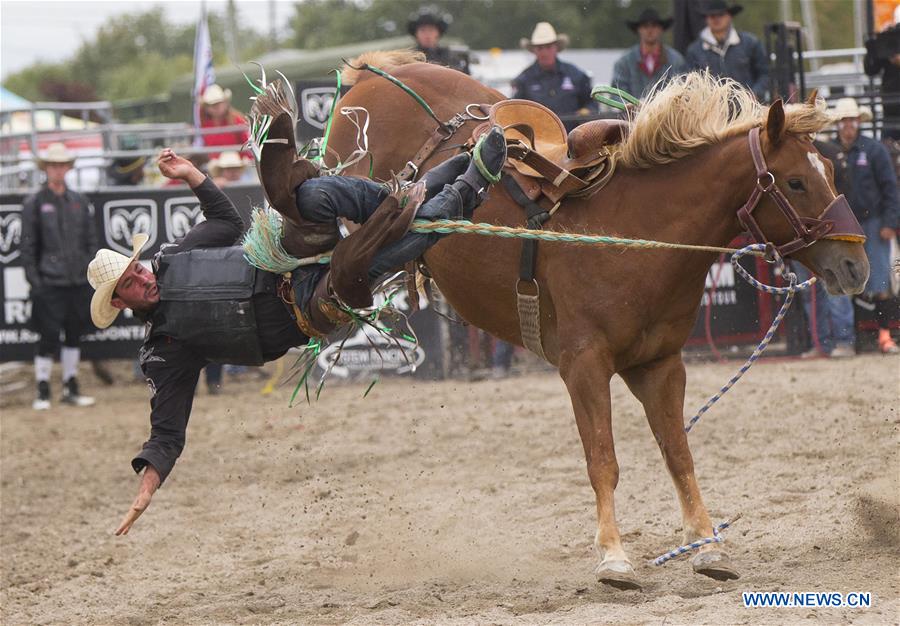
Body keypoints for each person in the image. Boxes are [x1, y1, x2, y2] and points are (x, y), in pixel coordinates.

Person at [91, 112, 508, 534]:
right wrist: (147, 487)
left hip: (283, 257)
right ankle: (463, 190)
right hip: (307, 307)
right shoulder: (165, 350)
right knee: (354, 266)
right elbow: (167, 431)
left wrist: (191, 174)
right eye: (130, 282)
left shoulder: (172, 258)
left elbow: (226, 223)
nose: (142, 278)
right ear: (120, 300)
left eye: (136, 269)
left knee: (311, 197)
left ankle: (401, 195)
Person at [20, 143, 97, 409]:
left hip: (76, 279)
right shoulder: (35, 202)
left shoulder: (78, 201)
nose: (58, 170)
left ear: (67, 168)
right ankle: (42, 389)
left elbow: (90, 239)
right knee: (48, 335)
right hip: (50, 281)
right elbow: (28, 246)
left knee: (74, 333)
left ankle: (70, 385)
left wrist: (87, 267)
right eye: (53, 165)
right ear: (46, 169)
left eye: (62, 165)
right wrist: (36, 281)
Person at [829, 98, 900, 354]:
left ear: (859, 122)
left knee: (881, 281)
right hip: (844, 226)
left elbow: (890, 187)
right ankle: (847, 340)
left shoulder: (874, 150)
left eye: (852, 120)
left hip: (874, 222)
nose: (848, 125)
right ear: (838, 124)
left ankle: (884, 336)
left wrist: (891, 222)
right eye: (844, 121)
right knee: (843, 280)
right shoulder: (830, 151)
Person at [511, 22, 597, 123]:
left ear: (556, 47)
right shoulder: (523, 80)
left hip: (573, 136)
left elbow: (592, 102)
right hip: (537, 137)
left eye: (548, 46)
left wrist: (587, 111)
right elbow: (514, 111)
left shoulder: (576, 75)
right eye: (540, 48)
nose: (544, 52)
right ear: (534, 50)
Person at [685, 1, 769, 102]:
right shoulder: (694, 51)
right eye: (712, 16)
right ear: (706, 19)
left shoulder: (750, 43)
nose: (716, 19)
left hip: (749, 108)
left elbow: (765, 73)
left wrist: (755, 93)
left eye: (721, 14)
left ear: (730, 16)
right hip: (711, 111)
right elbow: (690, 82)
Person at [612, 7, 687, 99]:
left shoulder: (676, 61)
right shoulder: (624, 63)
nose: (650, 30)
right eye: (645, 26)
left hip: (667, 113)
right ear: (638, 30)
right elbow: (617, 94)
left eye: (654, 26)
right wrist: (629, 105)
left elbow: (684, 92)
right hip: (633, 113)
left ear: (661, 29)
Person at [864, 21, 900, 139]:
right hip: (891, 109)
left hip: (891, 104)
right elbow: (871, 69)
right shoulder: (890, 38)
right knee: (887, 148)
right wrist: (873, 47)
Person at [408, 5, 469, 74]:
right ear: (416, 34)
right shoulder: (410, 57)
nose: (427, 35)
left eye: (431, 30)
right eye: (423, 30)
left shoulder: (450, 57)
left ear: (438, 33)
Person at [199, 84, 250, 158]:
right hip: (216, 164)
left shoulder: (237, 120)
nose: (216, 108)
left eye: (219, 103)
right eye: (212, 105)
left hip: (239, 163)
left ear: (225, 103)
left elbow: (248, 144)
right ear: (206, 108)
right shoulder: (205, 124)